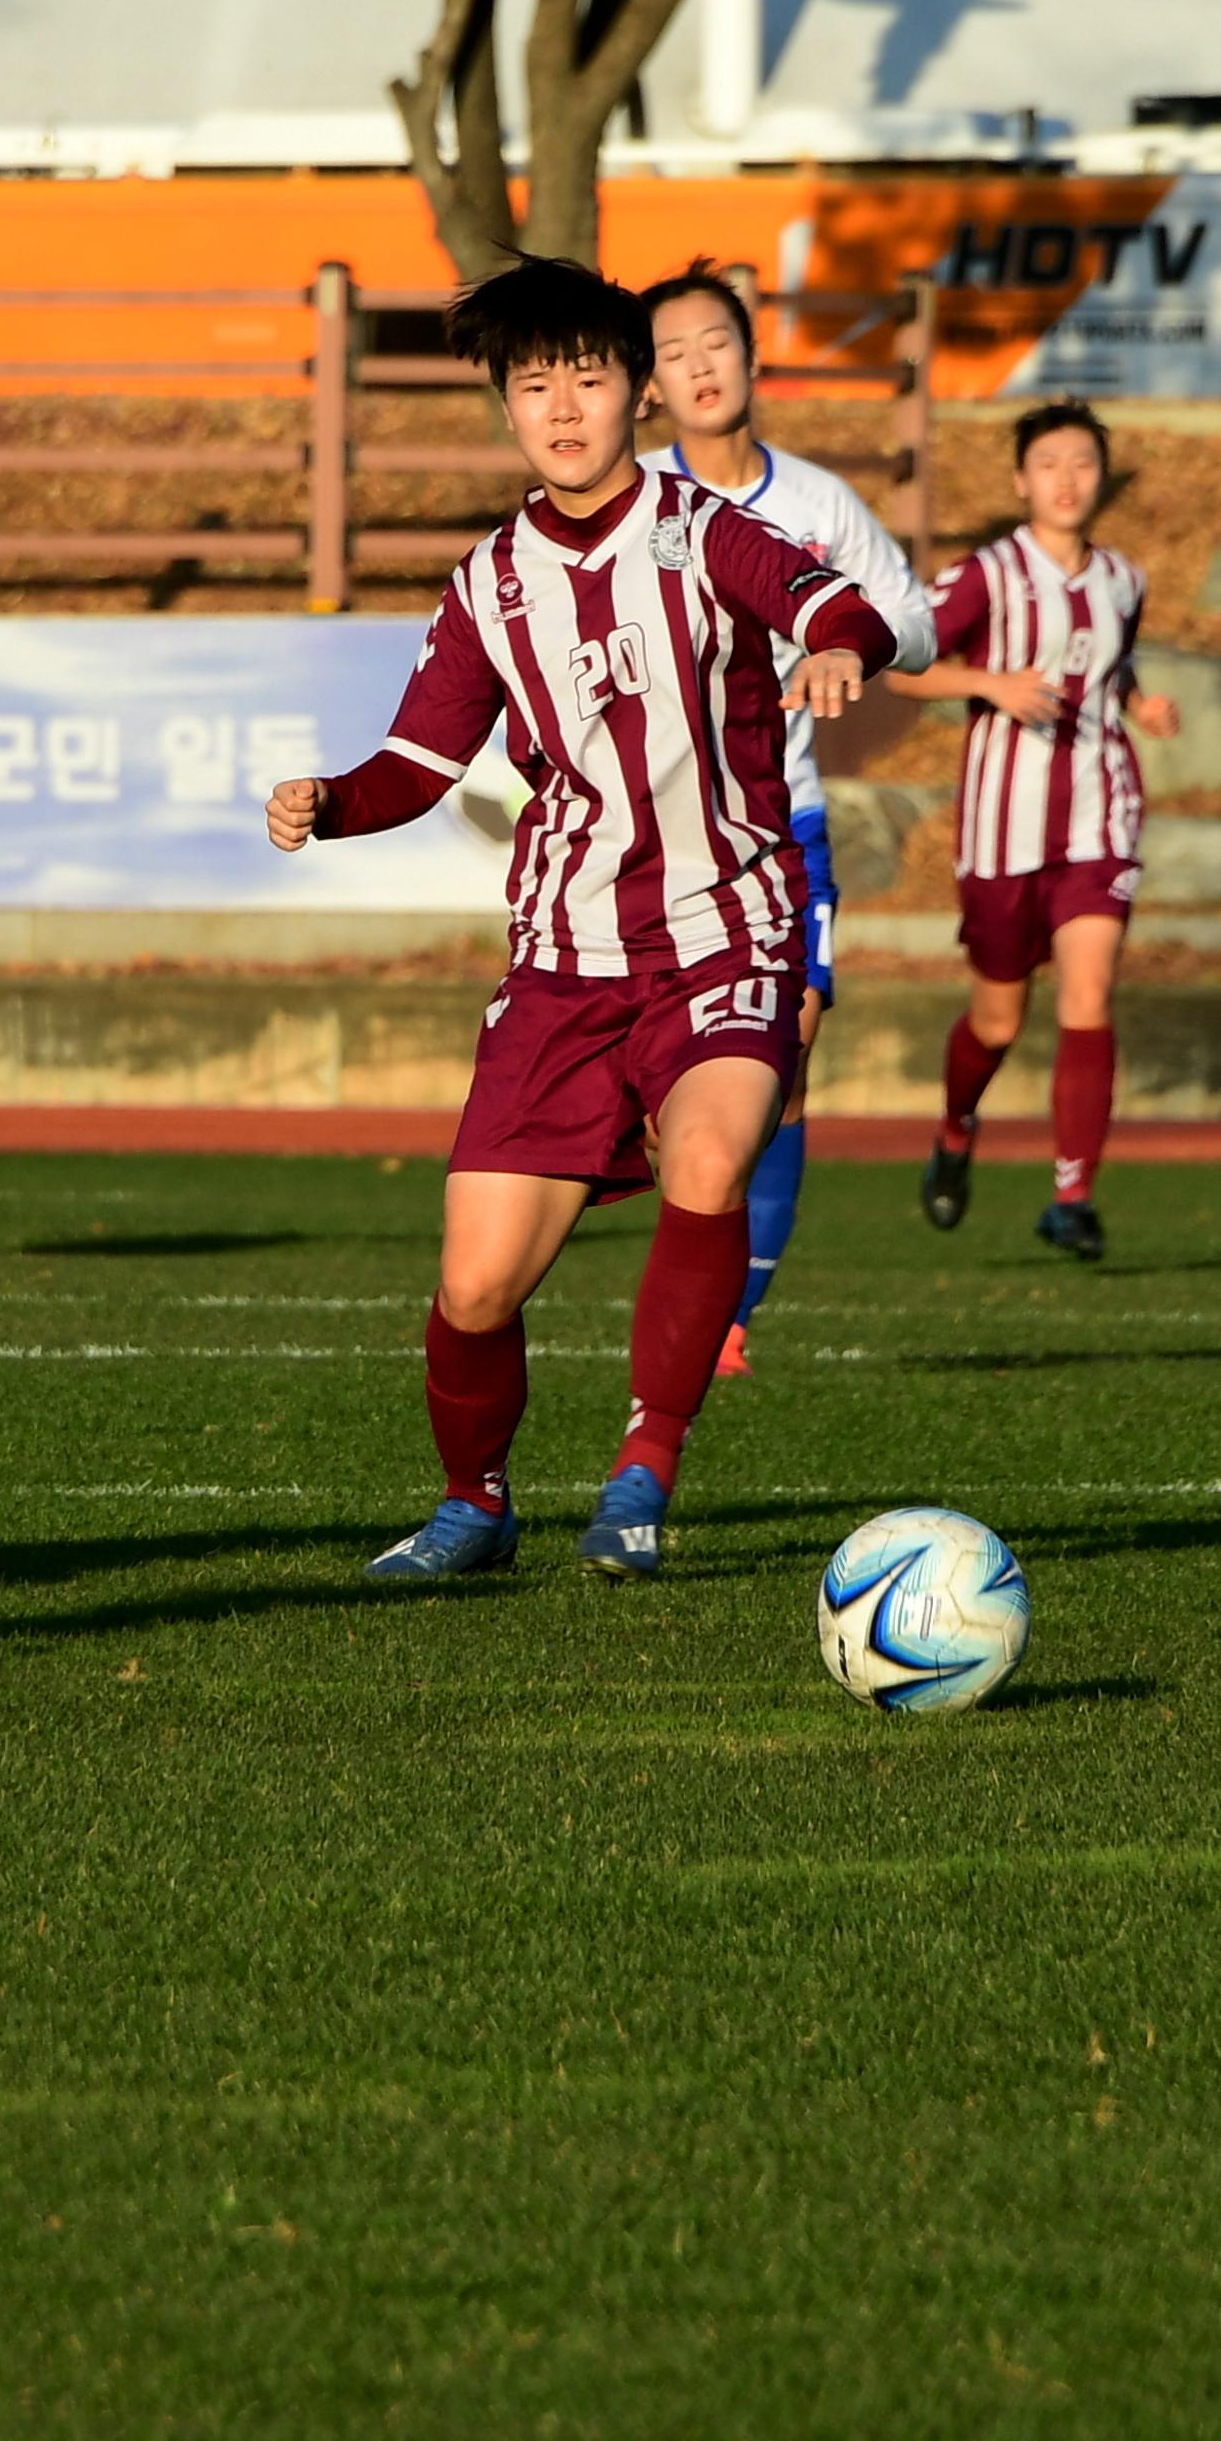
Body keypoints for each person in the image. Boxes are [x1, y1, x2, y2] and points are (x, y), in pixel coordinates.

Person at [265, 258, 896, 1579]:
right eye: (535, 382)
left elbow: (832, 601)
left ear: (638, 393)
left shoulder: (700, 528)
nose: (563, 406)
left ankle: (642, 1469)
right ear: (506, 405)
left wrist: (837, 646)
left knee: (711, 1161)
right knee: (476, 1287)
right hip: (564, 963)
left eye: (590, 377)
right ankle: (474, 1505)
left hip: (730, 925)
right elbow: (418, 767)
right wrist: (330, 801)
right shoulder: (490, 581)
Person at [638, 262, 933, 1371]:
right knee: (665, 1087)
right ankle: (685, 1240)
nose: (702, 364)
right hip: (656, 839)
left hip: (785, 829)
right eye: (676, 352)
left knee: (789, 1048)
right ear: (650, 386)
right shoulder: (635, 504)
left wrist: (849, 640)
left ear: (752, 359)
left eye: (718, 341)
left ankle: (730, 1317)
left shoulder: (816, 504)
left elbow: (911, 613)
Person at [895, 399, 1175, 1261]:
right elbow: (900, 667)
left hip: (1100, 812)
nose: (1066, 479)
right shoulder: (987, 575)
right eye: (1048, 463)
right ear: (1021, 480)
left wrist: (1138, 702)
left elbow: (1109, 663)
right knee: (998, 1023)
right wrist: (991, 685)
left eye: (1083, 463)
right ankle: (954, 1126)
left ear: (1103, 477)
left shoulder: (1124, 580)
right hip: (1000, 831)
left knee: (1089, 998)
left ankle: (1073, 1195)